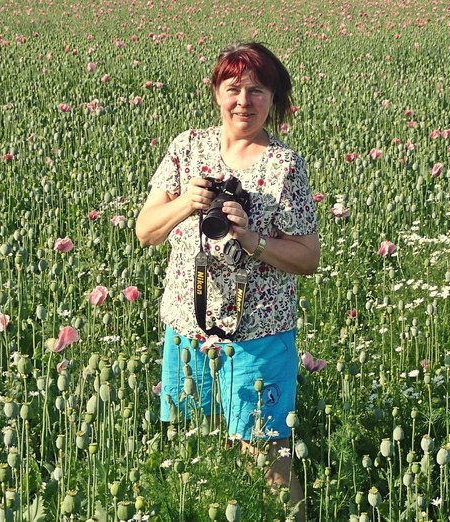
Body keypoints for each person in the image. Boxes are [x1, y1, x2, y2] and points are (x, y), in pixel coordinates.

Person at [136, 42, 319, 519]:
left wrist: (251, 237)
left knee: (267, 454)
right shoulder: (186, 148)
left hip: (258, 330)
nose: (244, 102)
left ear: (274, 99)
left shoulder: (285, 166)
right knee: (198, 442)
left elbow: (308, 258)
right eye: (233, 88)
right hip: (188, 327)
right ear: (216, 92)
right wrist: (188, 204)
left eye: (258, 91)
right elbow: (146, 230)